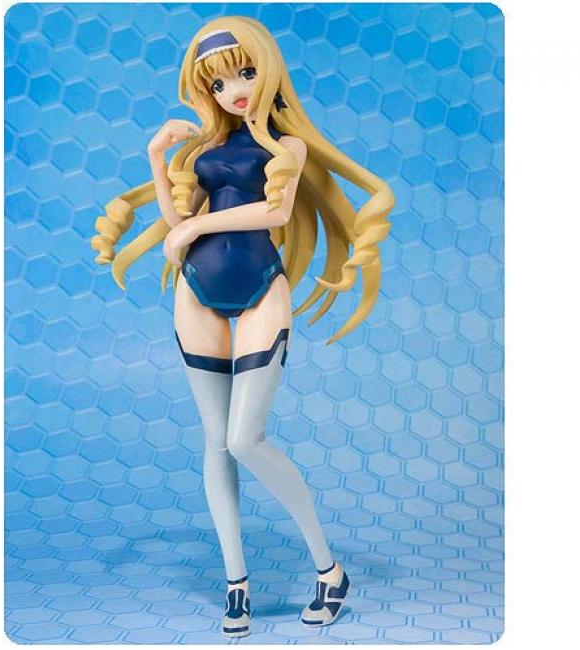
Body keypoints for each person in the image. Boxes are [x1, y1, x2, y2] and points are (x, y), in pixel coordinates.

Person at [92, 16, 394, 638]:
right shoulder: (201, 151)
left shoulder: (288, 148)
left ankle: (329, 569)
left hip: (261, 289)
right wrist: (156, 157)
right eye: (219, 82)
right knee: (215, 441)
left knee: (244, 439)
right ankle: (237, 584)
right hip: (196, 292)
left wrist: (198, 226)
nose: (235, 89)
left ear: (268, 69)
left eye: (246, 73)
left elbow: (274, 212)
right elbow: (176, 216)